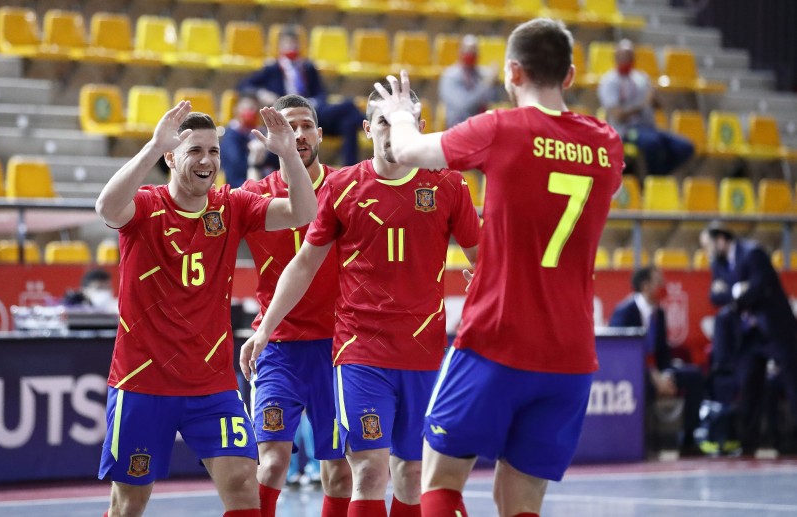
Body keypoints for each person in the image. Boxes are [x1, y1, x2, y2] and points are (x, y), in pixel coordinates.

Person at [371, 18, 625, 517]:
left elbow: (407, 151)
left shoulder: (501, 129)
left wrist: (400, 115)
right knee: (520, 498)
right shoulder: (607, 144)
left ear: (512, 72)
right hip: (571, 354)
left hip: (498, 337)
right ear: (570, 76)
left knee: (439, 479)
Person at [240, 83, 480, 517]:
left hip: (424, 351)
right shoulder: (343, 186)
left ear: (418, 128)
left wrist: (489, 284)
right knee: (367, 472)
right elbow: (304, 263)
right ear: (368, 129)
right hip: (359, 351)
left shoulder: (448, 185)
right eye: (383, 121)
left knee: (411, 475)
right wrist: (265, 329)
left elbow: (484, 258)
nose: (392, 131)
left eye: (401, 121)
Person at [93, 100, 317, 517]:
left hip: (211, 384)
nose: (206, 160)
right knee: (129, 503)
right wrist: (151, 147)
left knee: (243, 482)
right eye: (194, 150)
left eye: (213, 151)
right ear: (171, 157)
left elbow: (303, 212)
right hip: (143, 381)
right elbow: (106, 208)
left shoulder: (230, 206)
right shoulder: (146, 206)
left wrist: (288, 154)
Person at [237, 94, 352, 517]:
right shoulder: (253, 196)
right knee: (271, 465)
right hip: (278, 347)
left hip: (337, 349)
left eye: (305, 126)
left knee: (339, 472)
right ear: (271, 136)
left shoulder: (347, 188)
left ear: (319, 135)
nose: (298, 134)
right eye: (288, 126)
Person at [700, 221, 797, 456]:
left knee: (792, 383)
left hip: (775, 329)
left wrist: (731, 292)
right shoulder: (718, 263)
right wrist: (738, 290)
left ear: (720, 239)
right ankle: (748, 442)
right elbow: (714, 296)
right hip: (748, 334)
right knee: (748, 383)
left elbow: (759, 287)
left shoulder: (753, 253)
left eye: (707, 245)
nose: (706, 251)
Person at [609, 266, 705, 456]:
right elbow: (620, 356)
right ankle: (646, 443)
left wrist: (666, 375)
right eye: (659, 282)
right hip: (633, 373)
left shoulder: (659, 313)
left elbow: (663, 354)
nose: (664, 286)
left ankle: (688, 441)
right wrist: (653, 377)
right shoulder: (624, 312)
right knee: (646, 385)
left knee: (695, 376)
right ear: (645, 286)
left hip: (658, 371)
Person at [238, 25, 364, 166]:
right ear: (280, 46)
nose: (291, 47)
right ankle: (367, 124)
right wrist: (262, 93)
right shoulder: (272, 69)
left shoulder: (308, 67)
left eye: (294, 43)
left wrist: (314, 102)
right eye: (287, 44)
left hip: (312, 111)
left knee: (348, 122)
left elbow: (322, 93)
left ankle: (350, 168)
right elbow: (243, 85)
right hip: (289, 115)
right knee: (349, 106)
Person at [597, 39, 694, 176]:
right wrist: (642, 105)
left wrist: (657, 98)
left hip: (649, 128)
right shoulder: (609, 81)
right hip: (627, 131)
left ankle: (658, 176)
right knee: (652, 143)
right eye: (623, 56)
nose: (627, 60)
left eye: (630, 56)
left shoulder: (642, 78)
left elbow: (658, 106)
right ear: (616, 57)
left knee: (684, 147)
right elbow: (618, 116)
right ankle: (651, 179)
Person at [438, 34, 502, 129]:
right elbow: (463, 106)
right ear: (460, 52)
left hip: (481, 126)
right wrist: (486, 85)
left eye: (473, 53)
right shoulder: (449, 76)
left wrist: (495, 85)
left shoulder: (481, 73)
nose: (470, 55)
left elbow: (495, 100)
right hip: (458, 127)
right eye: (468, 52)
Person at [220, 94, 280, 187]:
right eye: (248, 109)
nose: (251, 112)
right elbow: (238, 165)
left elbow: (276, 160)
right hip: (239, 185)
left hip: (267, 183)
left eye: (255, 109)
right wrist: (255, 156)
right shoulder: (230, 136)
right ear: (237, 110)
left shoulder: (261, 132)